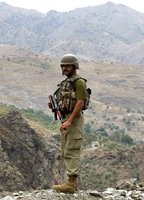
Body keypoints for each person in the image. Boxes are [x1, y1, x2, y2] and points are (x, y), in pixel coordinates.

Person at [51, 54, 88, 193]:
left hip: (74, 119)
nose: (65, 68)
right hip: (66, 118)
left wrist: (70, 121)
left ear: (74, 66)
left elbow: (80, 102)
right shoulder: (65, 82)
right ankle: (70, 182)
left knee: (72, 149)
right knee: (66, 149)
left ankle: (72, 184)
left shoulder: (79, 82)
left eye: (67, 65)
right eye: (63, 66)